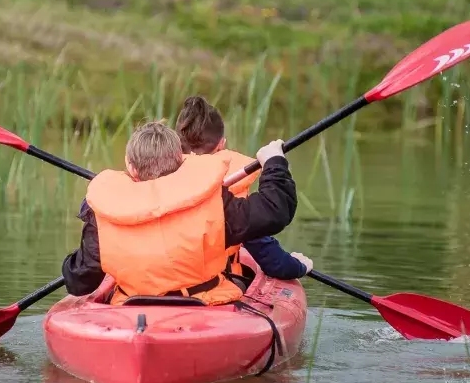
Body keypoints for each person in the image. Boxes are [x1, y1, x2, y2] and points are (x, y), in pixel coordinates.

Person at [61, 120, 298, 305]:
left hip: (131, 307)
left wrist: (87, 244)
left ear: (130, 166)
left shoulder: (104, 212)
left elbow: (79, 282)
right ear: (179, 159)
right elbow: (275, 209)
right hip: (202, 305)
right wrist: (274, 162)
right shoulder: (213, 201)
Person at [176, 95, 312, 287]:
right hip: (205, 294)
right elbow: (272, 260)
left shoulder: (153, 182)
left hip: (143, 295)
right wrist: (298, 266)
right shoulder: (226, 202)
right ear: (222, 144)